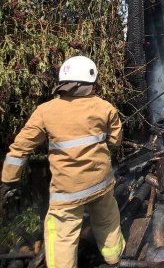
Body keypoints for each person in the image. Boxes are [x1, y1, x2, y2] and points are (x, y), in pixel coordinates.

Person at [0, 56, 125, 267]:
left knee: (62, 235)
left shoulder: (45, 111)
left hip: (68, 192)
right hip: (101, 182)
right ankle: (114, 256)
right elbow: (115, 140)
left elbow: (20, 148)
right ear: (90, 82)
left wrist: (9, 179)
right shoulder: (105, 107)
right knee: (107, 220)